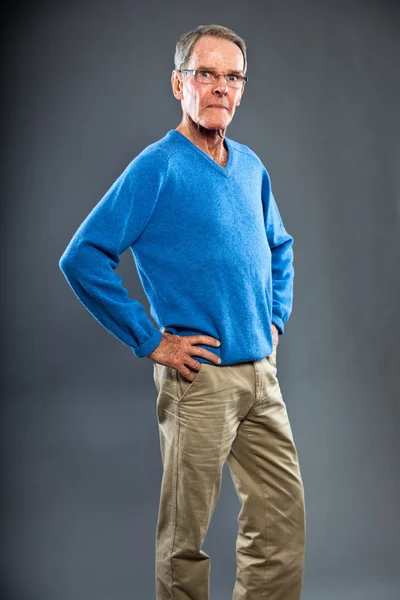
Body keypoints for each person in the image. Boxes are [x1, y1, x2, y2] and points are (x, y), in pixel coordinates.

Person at [59, 23, 306, 600]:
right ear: (179, 84)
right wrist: (151, 339)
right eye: (206, 74)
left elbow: (281, 246)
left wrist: (274, 320)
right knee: (185, 539)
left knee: (280, 526)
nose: (220, 87)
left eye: (232, 76)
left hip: (260, 378)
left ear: (242, 89)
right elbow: (83, 257)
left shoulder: (249, 165)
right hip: (199, 381)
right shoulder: (157, 167)